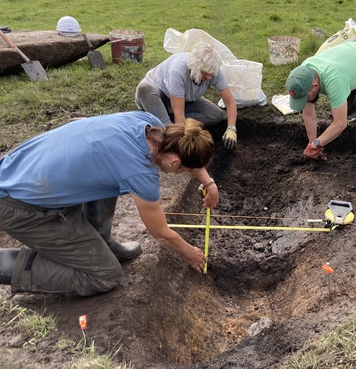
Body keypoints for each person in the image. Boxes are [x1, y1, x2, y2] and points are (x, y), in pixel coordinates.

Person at [0, 111, 219, 296]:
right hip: (21, 206)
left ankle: (99, 243)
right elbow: (161, 234)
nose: (181, 174)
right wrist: (191, 253)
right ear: (174, 162)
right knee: (104, 275)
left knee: (110, 178)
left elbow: (184, 153)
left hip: (20, 171)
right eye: (184, 171)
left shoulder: (148, 123)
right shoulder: (139, 171)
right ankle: (8, 265)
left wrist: (209, 183)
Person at [285, 40, 356, 160]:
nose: (305, 101)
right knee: (343, 110)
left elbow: (340, 124)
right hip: (350, 66)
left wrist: (318, 143)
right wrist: (313, 144)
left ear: (315, 86)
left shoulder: (334, 80)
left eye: (305, 98)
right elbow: (309, 114)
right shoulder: (304, 75)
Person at [135, 42, 238, 149]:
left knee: (215, 115)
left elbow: (230, 103)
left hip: (182, 100)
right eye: (205, 73)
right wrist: (185, 142)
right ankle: (165, 126)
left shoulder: (214, 72)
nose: (208, 77)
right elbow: (179, 115)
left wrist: (231, 128)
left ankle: (163, 120)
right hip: (157, 96)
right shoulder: (178, 70)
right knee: (145, 88)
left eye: (211, 74)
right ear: (195, 68)